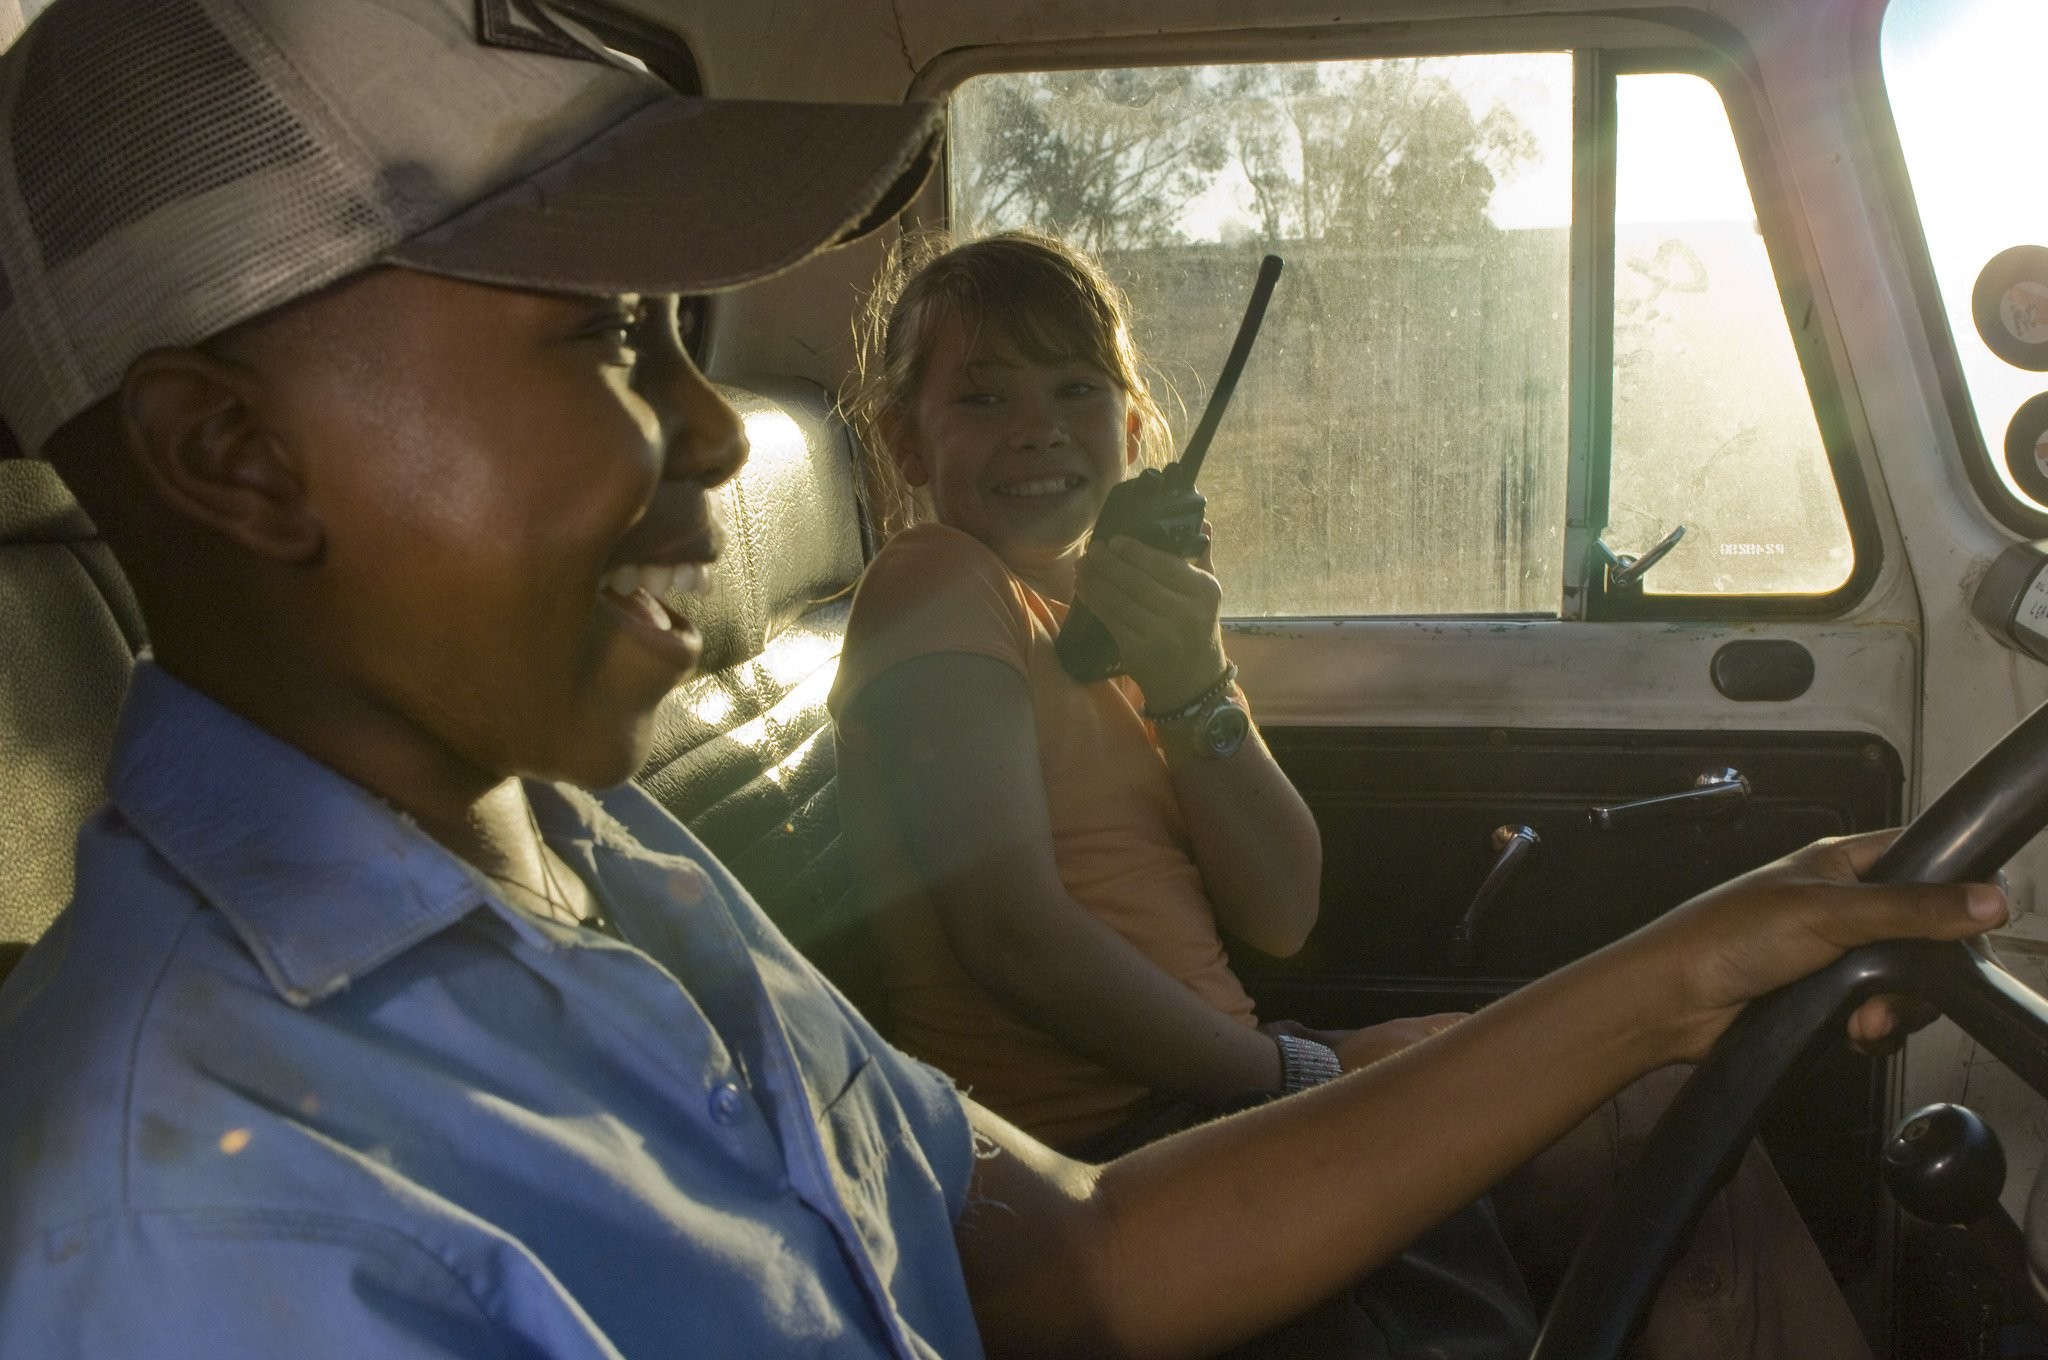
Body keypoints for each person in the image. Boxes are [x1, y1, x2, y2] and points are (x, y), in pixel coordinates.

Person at [0, 2, 2003, 1358]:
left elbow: (1064, 1249)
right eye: (607, 344)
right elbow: (1040, 985)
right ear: (229, 456)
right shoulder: (197, 1208)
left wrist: (1677, 967)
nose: (717, 432)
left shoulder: (597, 855)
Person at [823, 230, 1875, 1357]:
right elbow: (1010, 934)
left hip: (1206, 1086)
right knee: (1655, 1129)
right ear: (903, 439)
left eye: (1074, 388)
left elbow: (1280, 904)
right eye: (982, 397)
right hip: (1091, 1156)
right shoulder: (936, 582)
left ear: (1132, 430)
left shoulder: (1109, 616)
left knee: (1674, 1105)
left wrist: (1190, 679)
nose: (1036, 426)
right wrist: (1289, 1075)